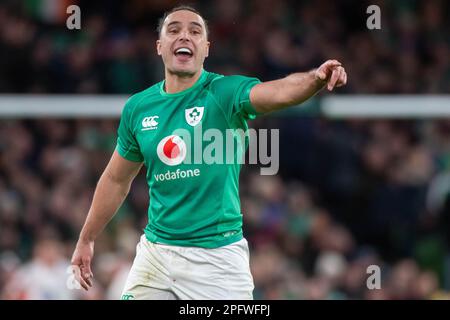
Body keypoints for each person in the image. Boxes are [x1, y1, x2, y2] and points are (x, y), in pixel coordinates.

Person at [71, 5, 347, 300]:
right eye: (174, 30)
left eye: (195, 31)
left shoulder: (225, 93)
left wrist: (315, 79)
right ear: (159, 46)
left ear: (206, 48)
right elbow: (116, 180)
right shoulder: (138, 108)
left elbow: (279, 92)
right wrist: (86, 238)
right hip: (157, 253)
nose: (185, 36)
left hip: (218, 261)